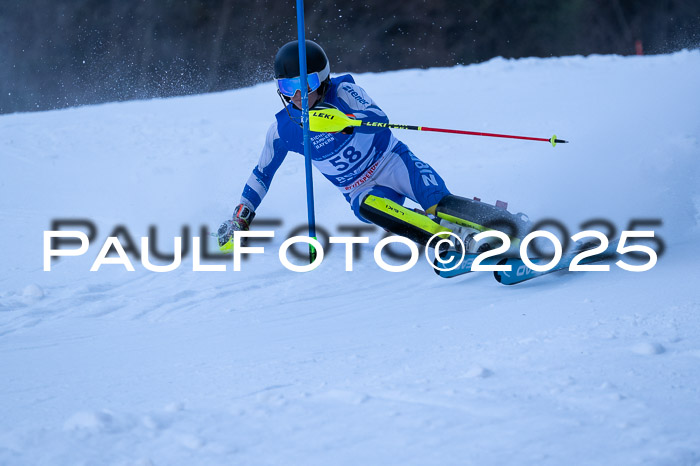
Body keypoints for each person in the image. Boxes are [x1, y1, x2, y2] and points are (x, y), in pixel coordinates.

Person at [217, 40, 528, 254]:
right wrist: (242, 215)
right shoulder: (283, 129)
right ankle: (456, 240)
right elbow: (262, 173)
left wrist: (343, 120)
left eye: (306, 84)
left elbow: (379, 117)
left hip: (392, 162)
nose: (298, 96)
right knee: (370, 207)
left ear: (323, 79)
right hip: (359, 189)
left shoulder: (344, 91)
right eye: (289, 88)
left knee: (436, 201)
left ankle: (508, 223)